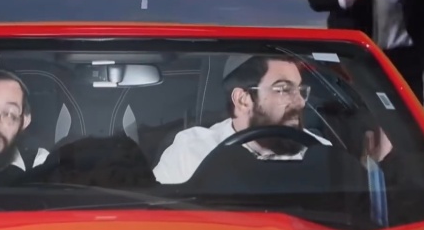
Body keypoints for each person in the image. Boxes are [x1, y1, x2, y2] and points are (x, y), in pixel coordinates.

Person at [151, 54, 393, 185]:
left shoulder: (319, 153)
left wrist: (368, 174)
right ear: (243, 99)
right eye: (283, 89)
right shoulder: (191, 151)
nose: (300, 102)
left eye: (300, 90)